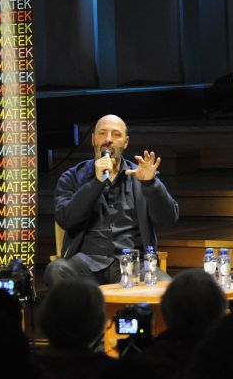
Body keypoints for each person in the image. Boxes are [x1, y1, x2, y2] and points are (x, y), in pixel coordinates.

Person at [44, 114, 179, 288]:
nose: (108, 140)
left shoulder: (141, 176)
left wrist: (151, 184)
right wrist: (96, 183)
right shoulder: (72, 177)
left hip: (133, 264)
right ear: (93, 139)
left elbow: (169, 219)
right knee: (56, 270)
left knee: (166, 287)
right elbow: (66, 219)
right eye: (102, 133)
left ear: (126, 142)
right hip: (86, 263)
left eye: (116, 134)